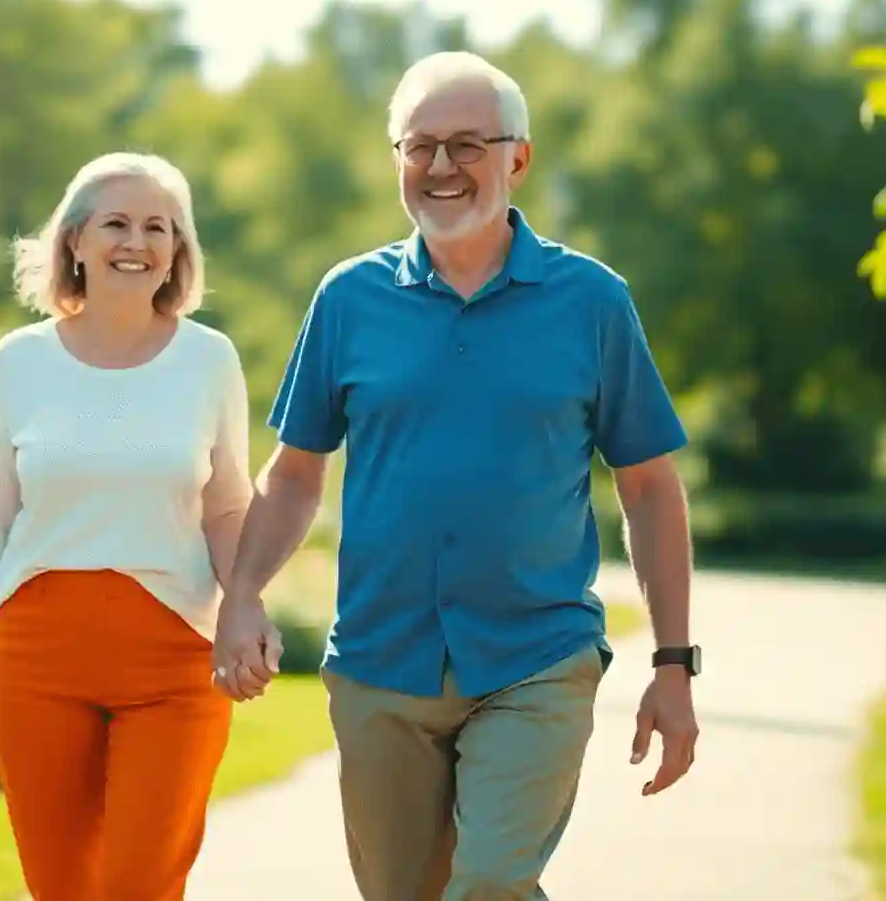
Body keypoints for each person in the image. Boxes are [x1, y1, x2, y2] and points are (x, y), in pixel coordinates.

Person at [212, 51, 702, 900]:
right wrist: (245, 593)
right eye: (420, 146)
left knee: (490, 885)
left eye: (468, 144)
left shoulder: (591, 301)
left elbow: (650, 487)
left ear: (519, 156)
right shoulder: (348, 298)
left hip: (536, 655)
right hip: (379, 659)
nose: (441, 166)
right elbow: (295, 474)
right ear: (397, 158)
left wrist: (672, 665)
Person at [0, 151, 258, 901]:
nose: (138, 241)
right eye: (117, 223)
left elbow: (226, 504)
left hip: (174, 661)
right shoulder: (19, 361)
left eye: (158, 226)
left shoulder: (209, 359)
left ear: (178, 252)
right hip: (34, 661)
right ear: (75, 243)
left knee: (139, 883)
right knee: (62, 887)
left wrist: (247, 608)